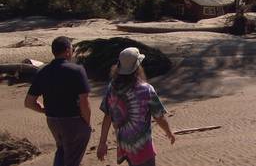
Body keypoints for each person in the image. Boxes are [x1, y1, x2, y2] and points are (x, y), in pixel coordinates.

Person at [97, 47, 175, 166]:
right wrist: (169, 132)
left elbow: (107, 116)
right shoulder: (146, 89)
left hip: (125, 145)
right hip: (142, 147)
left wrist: (102, 143)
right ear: (137, 67)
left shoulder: (112, 88)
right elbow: (159, 117)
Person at [24, 36, 91, 166]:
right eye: (72, 49)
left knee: (62, 150)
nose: (72, 52)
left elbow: (29, 102)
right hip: (73, 120)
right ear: (67, 51)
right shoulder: (77, 70)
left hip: (53, 120)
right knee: (72, 157)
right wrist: (86, 123)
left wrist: (45, 110)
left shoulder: (43, 71)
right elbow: (84, 101)